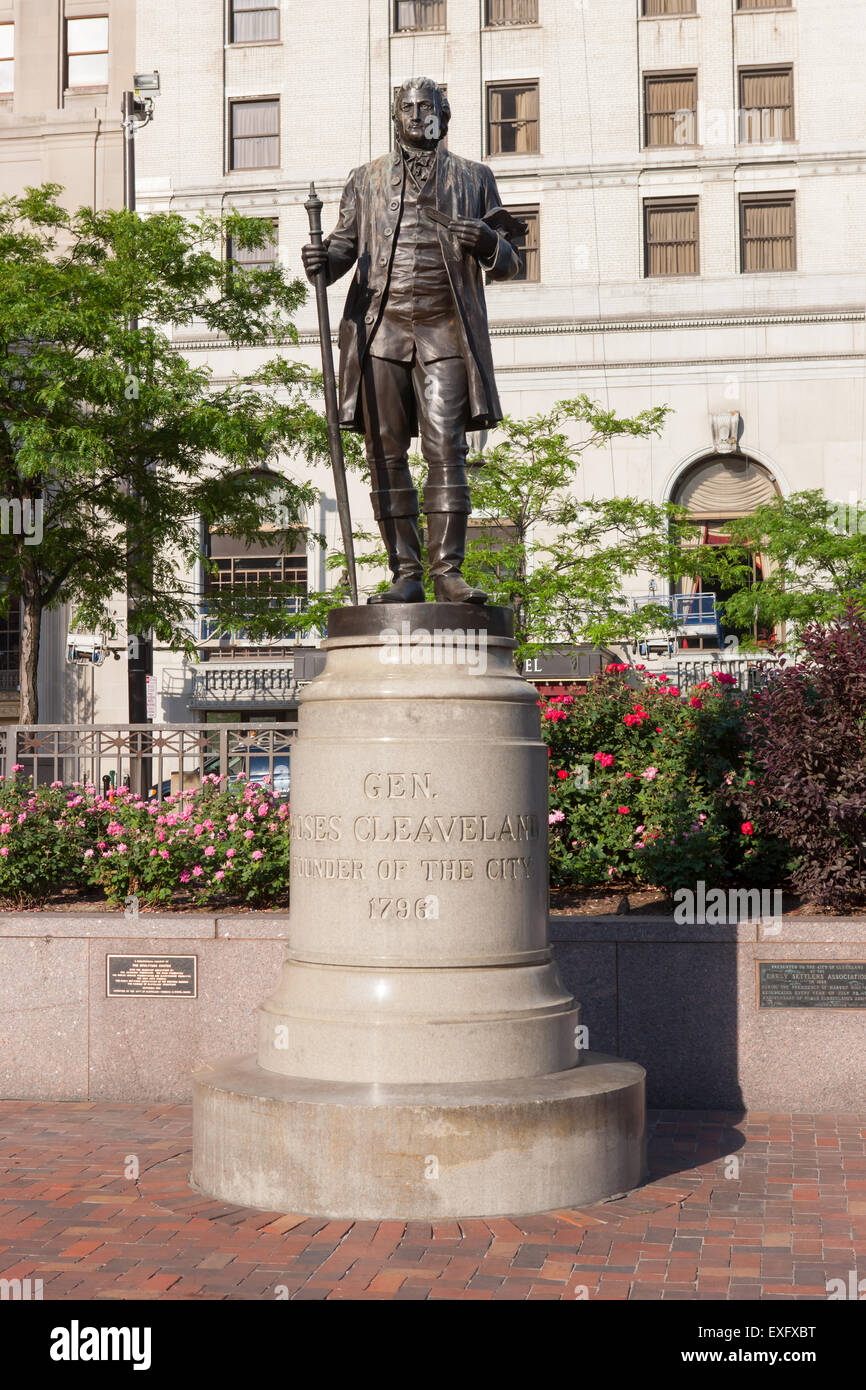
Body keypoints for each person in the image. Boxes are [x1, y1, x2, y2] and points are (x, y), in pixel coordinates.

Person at [302, 77, 522, 604]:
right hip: (381, 330)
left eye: (428, 106)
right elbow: (344, 249)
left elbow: (511, 261)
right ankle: (406, 574)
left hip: (446, 330)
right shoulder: (366, 180)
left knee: (447, 448)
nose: (418, 114)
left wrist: (490, 241)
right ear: (395, 116)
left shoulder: (475, 178)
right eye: (409, 106)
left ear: (446, 115)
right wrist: (322, 261)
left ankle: (448, 571)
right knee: (385, 453)